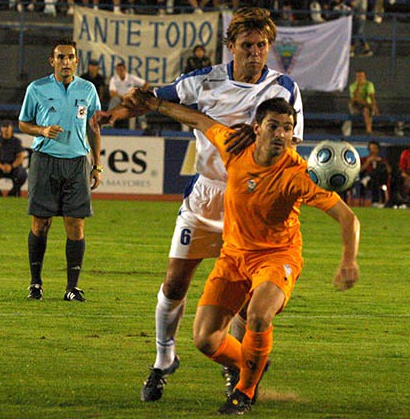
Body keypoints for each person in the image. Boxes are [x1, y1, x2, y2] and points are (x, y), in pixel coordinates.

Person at [104, 7, 305, 403]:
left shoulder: (284, 88)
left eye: (262, 45)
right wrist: (113, 114)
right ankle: (164, 359)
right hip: (206, 196)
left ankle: (238, 371)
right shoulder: (203, 81)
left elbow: (292, 145)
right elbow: (151, 99)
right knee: (175, 281)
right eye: (246, 45)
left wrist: (262, 144)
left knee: (246, 301)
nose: (254, 53)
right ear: (230, 47)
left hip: (250, 203)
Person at [115, 94, 358, 415]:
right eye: (274, 126)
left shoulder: (299, 173)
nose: (281, 134)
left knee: (258, 314)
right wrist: (156, 105)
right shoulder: (235, 147)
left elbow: (347, 217)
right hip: (233, 257)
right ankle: (254, 361)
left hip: (277, 257)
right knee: (205, 339)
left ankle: (243, 392)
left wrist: (348, 260)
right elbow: (198, 120)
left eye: (288, 128)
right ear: (256, 128)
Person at [18, 38, 102, 302]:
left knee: (75, 226)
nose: (66, 62)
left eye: (70, 57)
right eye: (61, 57)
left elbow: (94, 128)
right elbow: (23, 123)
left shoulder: (88, 89)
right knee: (40, 224)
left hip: (77, 163)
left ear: (77, 61)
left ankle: (72, 287)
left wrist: (96, 164)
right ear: (52, 61)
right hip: (45, 160)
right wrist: (42, 130)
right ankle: (35, 284)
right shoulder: (37, 88)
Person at [0, 121, 28, 197]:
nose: (5, 129)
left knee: (23, 175)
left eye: (7, 127)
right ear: (1, 128)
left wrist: (11, 166)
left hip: (13, 166)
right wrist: (2, 167)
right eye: (4, 127)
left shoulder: (17, 141)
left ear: (11, 128)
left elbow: (20, 157)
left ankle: (12, 193)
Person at [108, 63, 150, 131]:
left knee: (139, 102)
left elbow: (146, 84)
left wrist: (141, 93)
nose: (120, 71)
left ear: (125, 70)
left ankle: (143, 124)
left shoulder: (131, 78)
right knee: (114, 100)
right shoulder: (114, 79)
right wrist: (122, 97)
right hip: (119, 98)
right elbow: (112, 93)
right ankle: (109, 122)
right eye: (118, 70)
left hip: (131, 98)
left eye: (121, 69)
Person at [343, 69, 379, 136]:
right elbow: (354, 98)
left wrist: (374, 107)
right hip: (356, 106)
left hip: (367, 106)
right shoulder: (352, 86)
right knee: (356, 101)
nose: (360, 78)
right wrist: (359, 88)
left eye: (361, 76)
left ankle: (369, 131)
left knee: (366, 110)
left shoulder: (369, 84)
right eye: (358, 76)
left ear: (364, 76)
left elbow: (372, 97)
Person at [358, 140, 390, 206]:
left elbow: (389, 171)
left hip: (379, 180)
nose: (373, 150)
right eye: (371, 148)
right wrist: (368, 162)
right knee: (373, 178)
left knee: (377, 175)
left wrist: (383, 163)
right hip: (367, 180)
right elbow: (360, 170)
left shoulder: (382, 160)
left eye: (375, 148)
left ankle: (381, 202)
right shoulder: (364, 159)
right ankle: (375, 201)